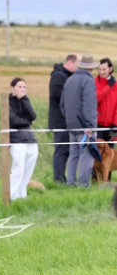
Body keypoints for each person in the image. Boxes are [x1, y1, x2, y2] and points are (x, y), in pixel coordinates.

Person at [61, 54, 98, 188]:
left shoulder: (69, 80)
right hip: (84, 126)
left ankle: (71, 183)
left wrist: (69, 120)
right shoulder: (88, 81)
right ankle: (83, 185)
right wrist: (90, 125)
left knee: (73, 155)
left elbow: (62, 105)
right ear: (91, 68)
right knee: (86, 155)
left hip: (72, 125)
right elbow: (89, 106)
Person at [49, 54, 78, 183]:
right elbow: (55, 94)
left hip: (65, 119)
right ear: (70, 63)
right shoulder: (59, 76)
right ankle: (58, 178)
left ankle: (62, 176)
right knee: (61, 150)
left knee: (65, 151)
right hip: (60, 120)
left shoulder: (65, 75)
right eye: (77, 65)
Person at [9, 78, 38, 200]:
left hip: (30, 139)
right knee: (18, 169)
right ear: (12, 88)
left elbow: (33, 115)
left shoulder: (25, 101)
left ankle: (22, 195)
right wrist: (28, 121)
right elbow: (13, 120)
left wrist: (24, 99)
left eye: (24, 87)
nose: (22, 89)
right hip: (17, 140)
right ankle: (11, 195)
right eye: (19, 87)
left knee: (28, 170)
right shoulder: (8, 102)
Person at [95, 57, 117, 142]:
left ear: (110, 69)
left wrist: (115, 123)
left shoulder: (116, 85)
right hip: (97, 124)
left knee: (109, 149)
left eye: (104, 69)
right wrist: (109, 86)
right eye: (100, 69)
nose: (101, 72)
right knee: (96, 149)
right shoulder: (94, 82)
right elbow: (97, 98)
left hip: (111, 125)